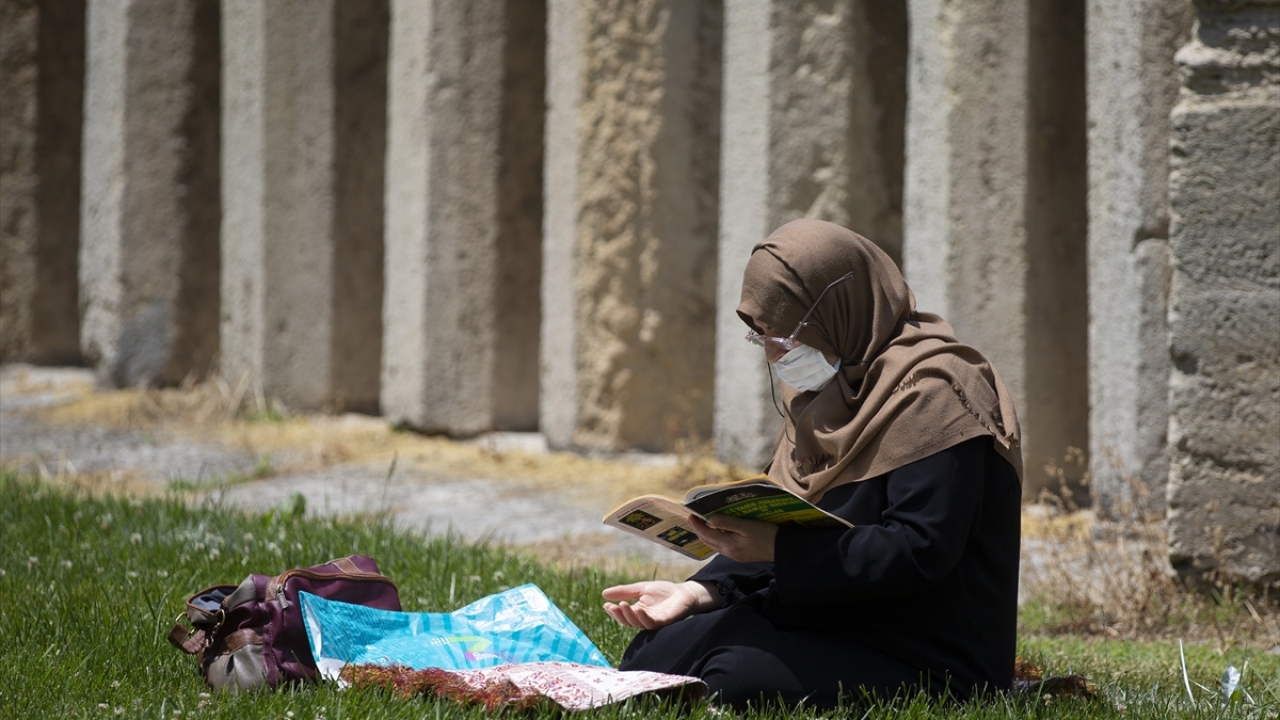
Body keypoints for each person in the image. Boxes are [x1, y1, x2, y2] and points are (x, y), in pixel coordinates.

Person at [601, 219, 1024, 710]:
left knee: (729, 674)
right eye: (763, 337)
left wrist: (780, 549)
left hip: (926, 652)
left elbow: (919, 549)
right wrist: (699, 593)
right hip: (833, 616)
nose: (776, 353)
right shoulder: (827, 397)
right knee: (655, 653)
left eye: (787, 335)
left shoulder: (938, 391)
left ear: (839, 311)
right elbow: (788, 520)